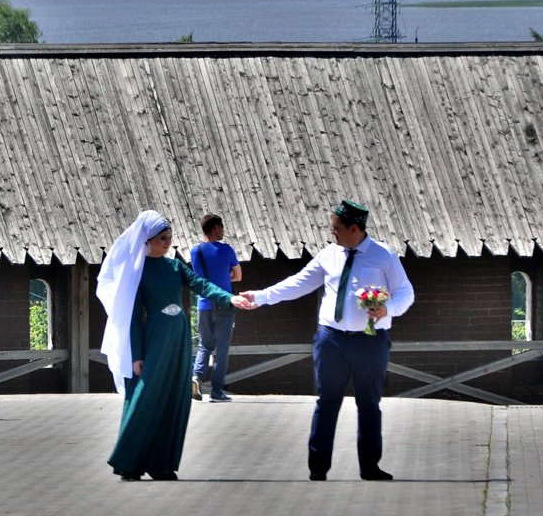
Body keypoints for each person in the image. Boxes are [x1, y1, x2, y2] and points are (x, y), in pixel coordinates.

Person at [242, 199, 414, 481]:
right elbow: (299, 283)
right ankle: (318, 468)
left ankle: (370, 466)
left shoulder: (384, 256)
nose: (331, 232)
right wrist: (261, 297)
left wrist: (388, 309)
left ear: (354, 228)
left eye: (336, 228)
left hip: (370, 340)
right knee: (327, 401)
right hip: (331, 339)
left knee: (369, 403)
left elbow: (405, 292)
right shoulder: (329, 255)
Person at [97, 210, 252, 481]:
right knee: (145, 397)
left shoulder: (175, 266)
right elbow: (132, 317)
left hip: (179, 338)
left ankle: (162, 465)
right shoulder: (137, 272)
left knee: (174, 399)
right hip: (154, 339)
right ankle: (128, 462)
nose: (168, 243)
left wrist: (230, 298)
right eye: (163, 239)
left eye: (170, 238)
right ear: (148, 241)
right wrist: (136, 354)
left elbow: (202, 285)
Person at [190, 213, 242, 402]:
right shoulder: (226, 250)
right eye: (221, 227)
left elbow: (199, 279)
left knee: (205, 345)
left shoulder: (196, 251)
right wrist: (224, 277)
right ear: (214, 228)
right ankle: (217, 390)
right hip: (224, 303)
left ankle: (196, 377)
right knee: (222, 349)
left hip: (203, 304)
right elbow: (238, 276)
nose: (223, 231)